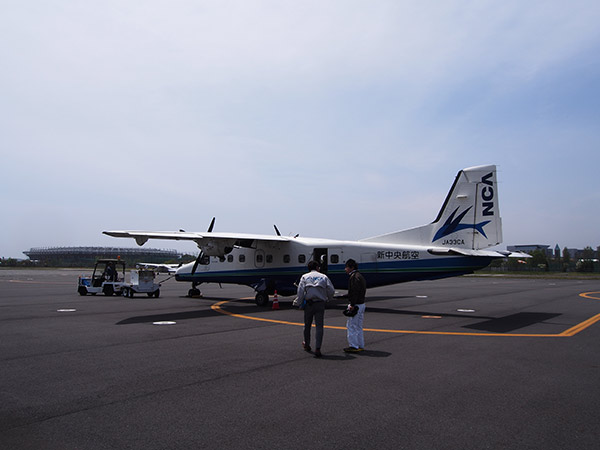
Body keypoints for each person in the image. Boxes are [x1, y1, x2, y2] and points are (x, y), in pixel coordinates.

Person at [295, 260, 335, 358]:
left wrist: (298, 303)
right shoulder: (324, 277)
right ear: (317, 267)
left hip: (309, 304)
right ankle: (318, 348)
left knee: (307, 325)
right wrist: (328, 298)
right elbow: (331, 290)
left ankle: (307, 344)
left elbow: (300, 292)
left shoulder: (304, 277)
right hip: (320, 304)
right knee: (319, 326)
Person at [343, 259, 367, 353]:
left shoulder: (353, 277)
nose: (345, 269)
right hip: (361, 304)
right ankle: (360, 345)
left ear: (351, 267)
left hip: (356, 304)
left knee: (351, 325)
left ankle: (353, 346)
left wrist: (352, 304)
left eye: (346, 267)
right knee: (359, 326)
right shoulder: (360, 276)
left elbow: (354, 292)